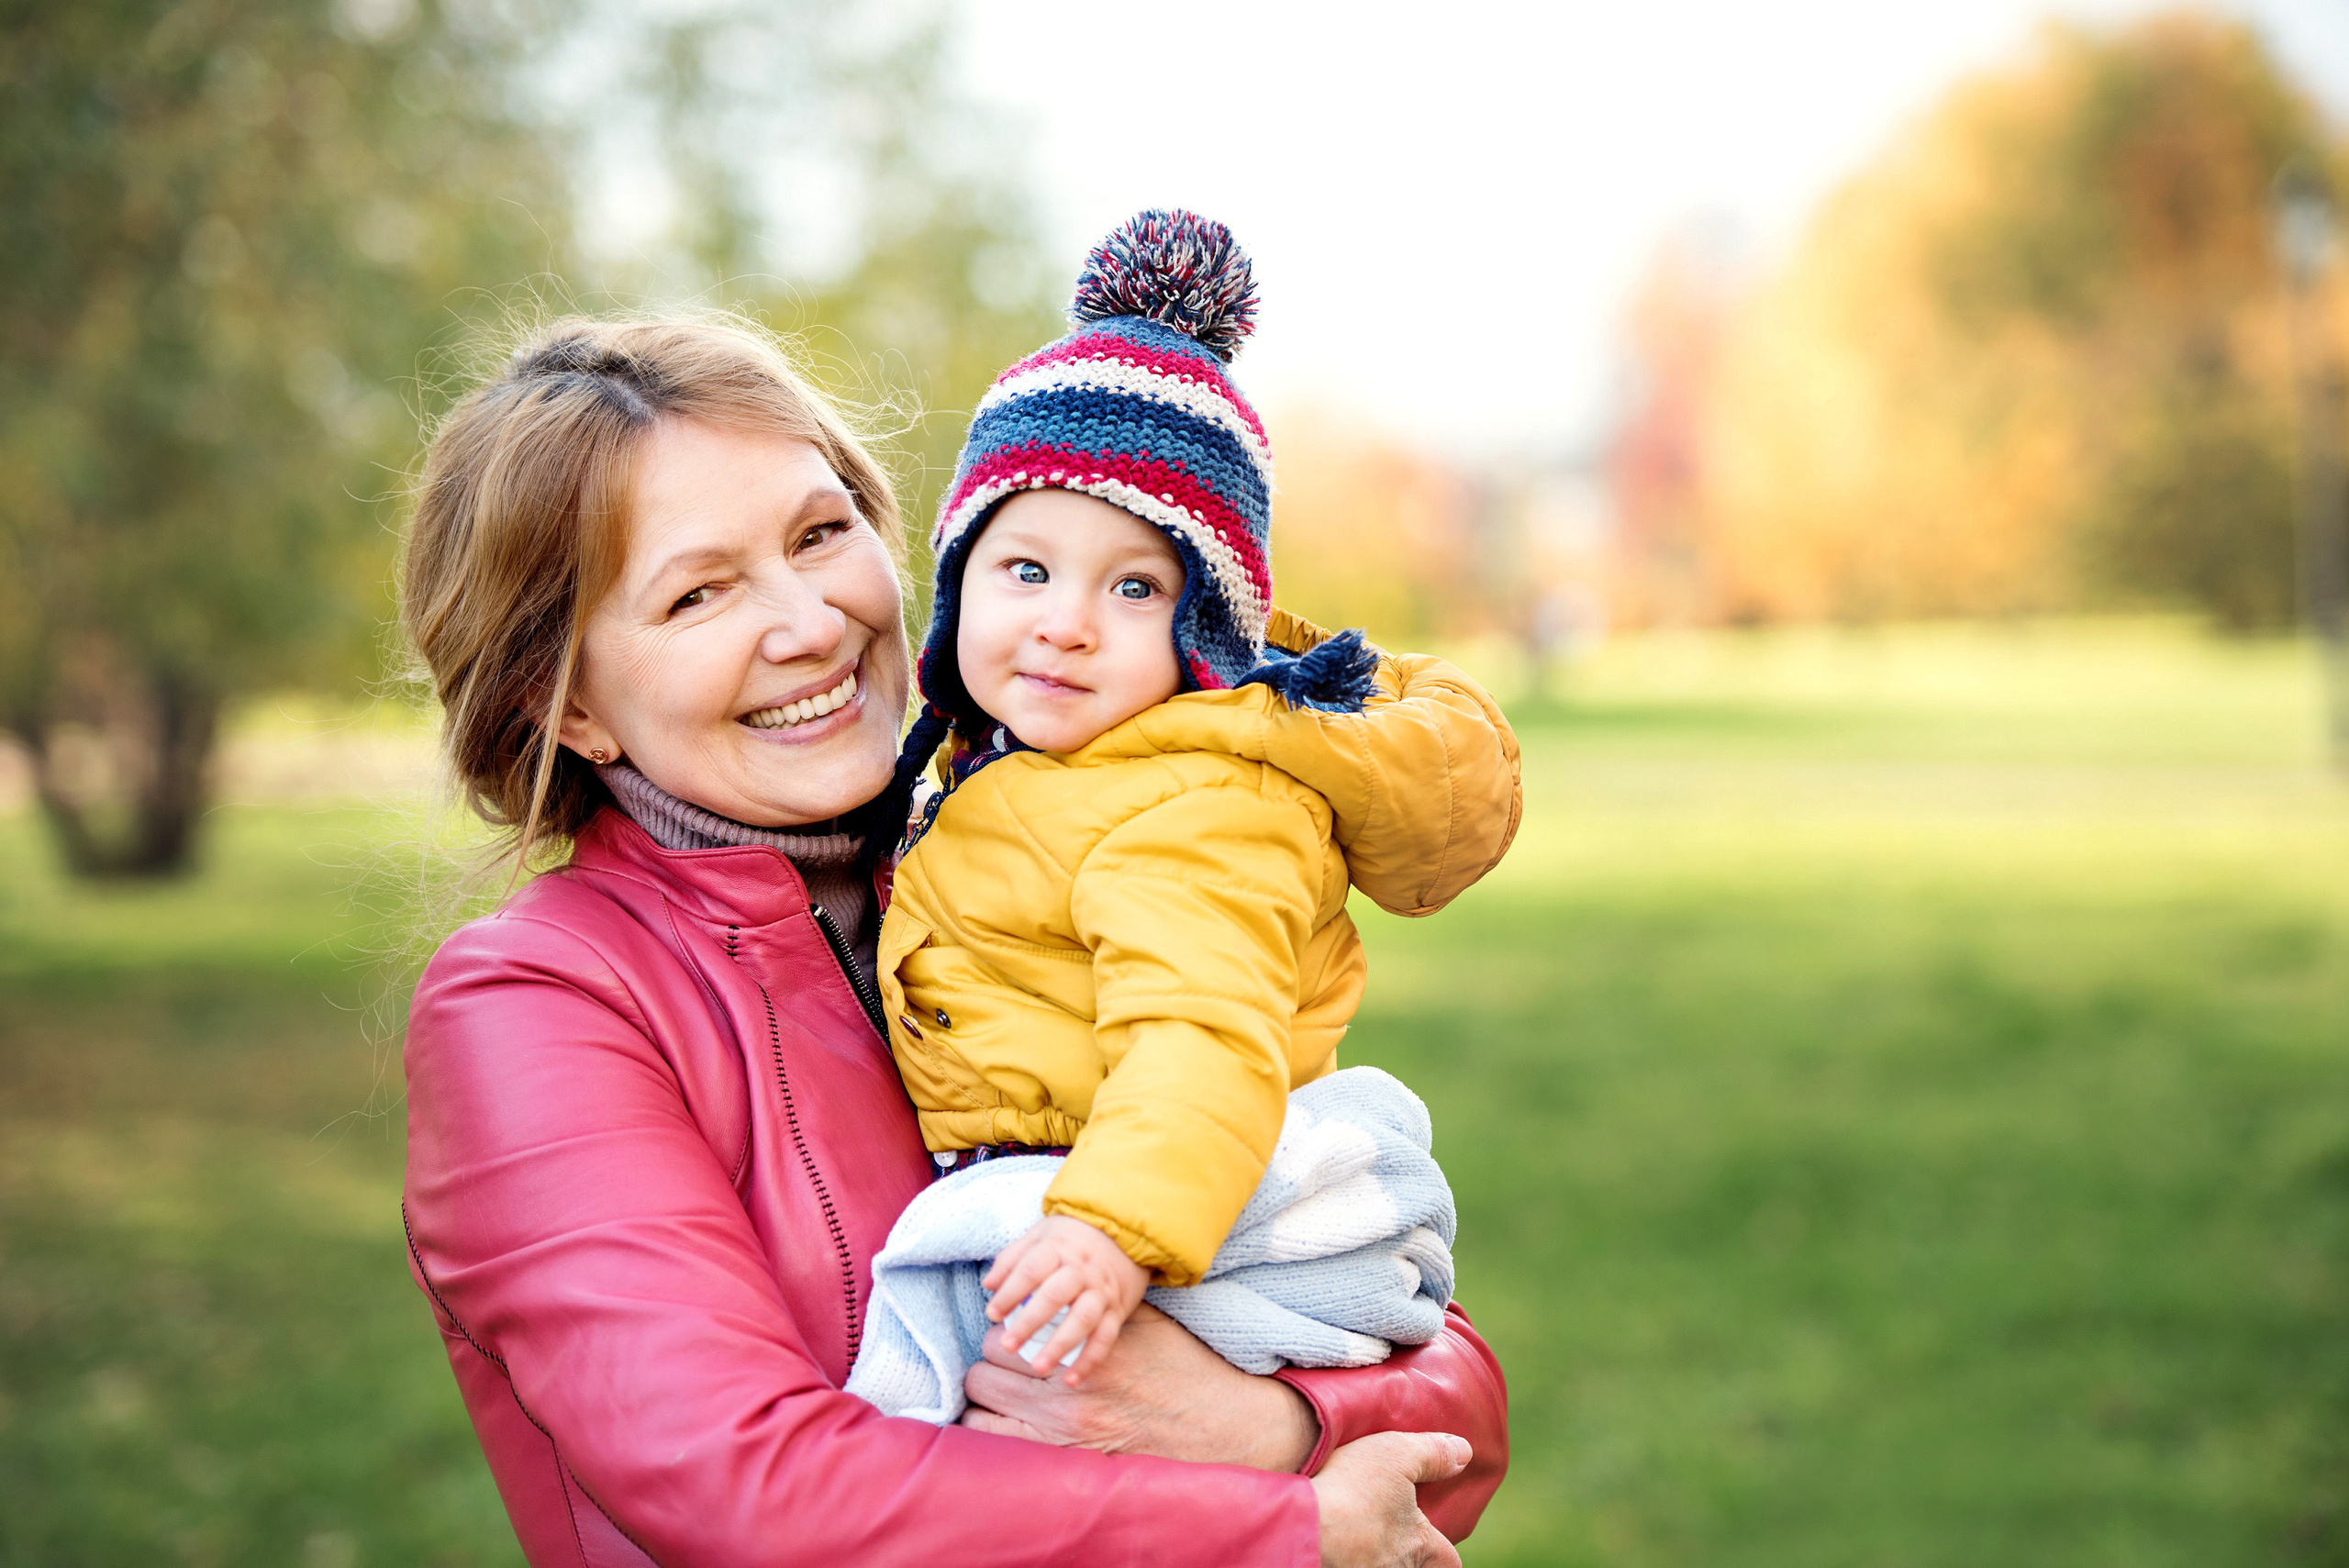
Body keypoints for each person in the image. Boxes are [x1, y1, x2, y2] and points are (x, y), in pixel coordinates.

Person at [397, 310, 1515, 1567]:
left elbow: (1446, 1383)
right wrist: (1286, 1521)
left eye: (822, 535)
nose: (811, 621)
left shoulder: (1013, 877)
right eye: (700, 591)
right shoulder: (537, 1004)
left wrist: (1262, 1420)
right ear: (573, 704)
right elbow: (745, 1489)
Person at [868, 210, 1517, 1393]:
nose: (1065, 619)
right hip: (1083, 1174)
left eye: (1132, 586)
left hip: (1140, 1198)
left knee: (915, 1378)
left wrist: (1116, 1228)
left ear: (1205, 633)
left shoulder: (1191, 807)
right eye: (1026, 569)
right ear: (961, 581)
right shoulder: (1014, 768)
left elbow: (1201, 1036)